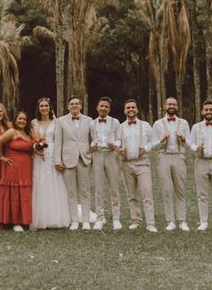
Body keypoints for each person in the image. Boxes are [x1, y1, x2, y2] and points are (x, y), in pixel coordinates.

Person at [187, 100, 212, 231]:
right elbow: (190, 143)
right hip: (201, 162)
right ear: (202, 112)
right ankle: (203, 222)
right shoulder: (195, 127)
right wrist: (195, 148)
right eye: (206, 110)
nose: (209, 112)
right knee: (202, 193)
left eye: (211, 109)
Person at [119, 99, 158, 232]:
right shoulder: (120, 127)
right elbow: (117, 142)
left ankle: (150, 223)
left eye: (133, 107)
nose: (130, 109)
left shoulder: (146, 125)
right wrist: (120, 149)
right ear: (124, 110)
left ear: (136, 110)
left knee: (147, 192)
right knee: (131, 194)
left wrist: (146, 148)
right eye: (128, 107)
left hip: (142, 163)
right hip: (126, 164)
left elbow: (153, 142)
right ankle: (136, 220)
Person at [54, 95, 92, 230]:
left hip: (84, 159)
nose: (74, 105)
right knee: (70, 192)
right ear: (68, 106)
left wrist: (90, 152)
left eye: (77, 103)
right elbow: (58, 142)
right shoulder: (60, 121)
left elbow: (93, 140)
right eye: (72, 104)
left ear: (81, 106)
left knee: (85, 191)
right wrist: (58, 160)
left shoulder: (89, 121)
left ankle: (86, 221)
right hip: (67, 160)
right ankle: (74, 221)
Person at [31, 97, 70, 230]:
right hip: (39, 155)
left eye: (46, 106)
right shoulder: (33, 123)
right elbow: (30, 140)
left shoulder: (56, 122)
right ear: (38, 108)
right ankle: (40, 216)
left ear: (50, 107)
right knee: (40, 182)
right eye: (41, 106)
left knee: (54, 182)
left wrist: (59, 158)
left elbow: (60, 140)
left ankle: (55, 216)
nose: (44, 108)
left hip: (53, 154)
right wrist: (35, 149)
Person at [152, 97, 190, 232]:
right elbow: (153, 146)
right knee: (167, 190)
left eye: (174, 104)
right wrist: (162, 140)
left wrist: (184, 139)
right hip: (163, 157)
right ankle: (171, 221)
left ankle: (182, 221)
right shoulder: (157, 124)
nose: (171, 106)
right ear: (164, 106)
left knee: (181, 190)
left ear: (177, 106)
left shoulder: (184, 123)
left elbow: (190, 144)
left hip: (179, 157)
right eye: (169, 104)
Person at [0, 111, 34, 232]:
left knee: (24, 193)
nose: (22, 121)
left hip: (26, 167)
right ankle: (15, 222)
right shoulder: (12, 131)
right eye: (20, 119)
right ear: (15, 120)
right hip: (13, 167)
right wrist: (1, 157)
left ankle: (24, 220)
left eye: (24, 119)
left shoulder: (29, 134)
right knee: (14, 192)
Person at [90, 97, 122, 231]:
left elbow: (119, 139)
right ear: (97, 108)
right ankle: (99, 218)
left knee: (114, 187)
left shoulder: (115, 122)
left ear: (109, 109)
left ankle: (116, 219)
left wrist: (115, 145)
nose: (103, 108)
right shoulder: (92, 124)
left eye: (106, 107)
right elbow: (90, 140)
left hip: (111, 154)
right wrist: (92, 144)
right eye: (101, 106)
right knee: (98, 188)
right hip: (97, 155)